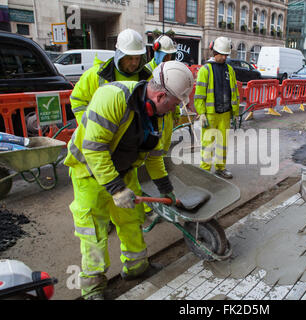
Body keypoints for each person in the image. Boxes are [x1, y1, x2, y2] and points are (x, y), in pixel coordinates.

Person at [64, 61, 194, 300]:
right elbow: (93, 149)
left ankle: (136, 268)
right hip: (88, 173)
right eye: (175, 103)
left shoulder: (163, 116)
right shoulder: (112, 97)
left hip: (124, 171)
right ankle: (93, 287)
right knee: (93, 231)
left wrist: (167, 190)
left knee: (131, 220)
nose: (176, 109)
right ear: (161, 95)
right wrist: (116, 190)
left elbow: (155, 157)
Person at [70, 28, 152, 124]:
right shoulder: (95, 74)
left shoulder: (147, 77)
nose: (134, 63)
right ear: (119, 55)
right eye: (129, 58)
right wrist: (87, 126)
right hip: (102, 134)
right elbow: (78, 100)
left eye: (137, 58)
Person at [194, 36, 240, 179]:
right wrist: (201, 113)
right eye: (223, 55)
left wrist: (235, 112)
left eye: (226, 55)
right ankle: (205, 171)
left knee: (222, 143)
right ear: (215, 53)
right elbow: (199, 95)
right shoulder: (205, 70)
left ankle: (220, 168)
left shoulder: (229, 70)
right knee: (208, 144)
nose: (225, 58)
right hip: (210, 114)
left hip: (225, 113)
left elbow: (234, 92)